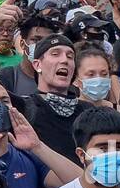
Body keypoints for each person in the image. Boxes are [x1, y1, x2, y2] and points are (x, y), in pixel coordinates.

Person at [15, 34, 88, 164]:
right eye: (55, 54)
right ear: (37, 65)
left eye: (70, 56)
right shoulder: (24, 108)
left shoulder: (89, 111)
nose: (65, 60)